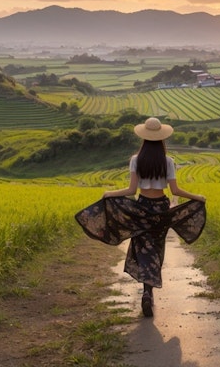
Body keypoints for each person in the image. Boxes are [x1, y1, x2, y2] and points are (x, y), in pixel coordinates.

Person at [75, 117, 206, 317]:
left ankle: (147, 293)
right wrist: (197, 197)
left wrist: (109, 194)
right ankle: (148, 291)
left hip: (142, 208)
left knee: (143, 250)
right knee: (156, 250)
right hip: (161, 209)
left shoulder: (136, 160)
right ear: (162, 139)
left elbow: (131, 189)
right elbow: (176, 190)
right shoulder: (168, 161)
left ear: (144, 138)